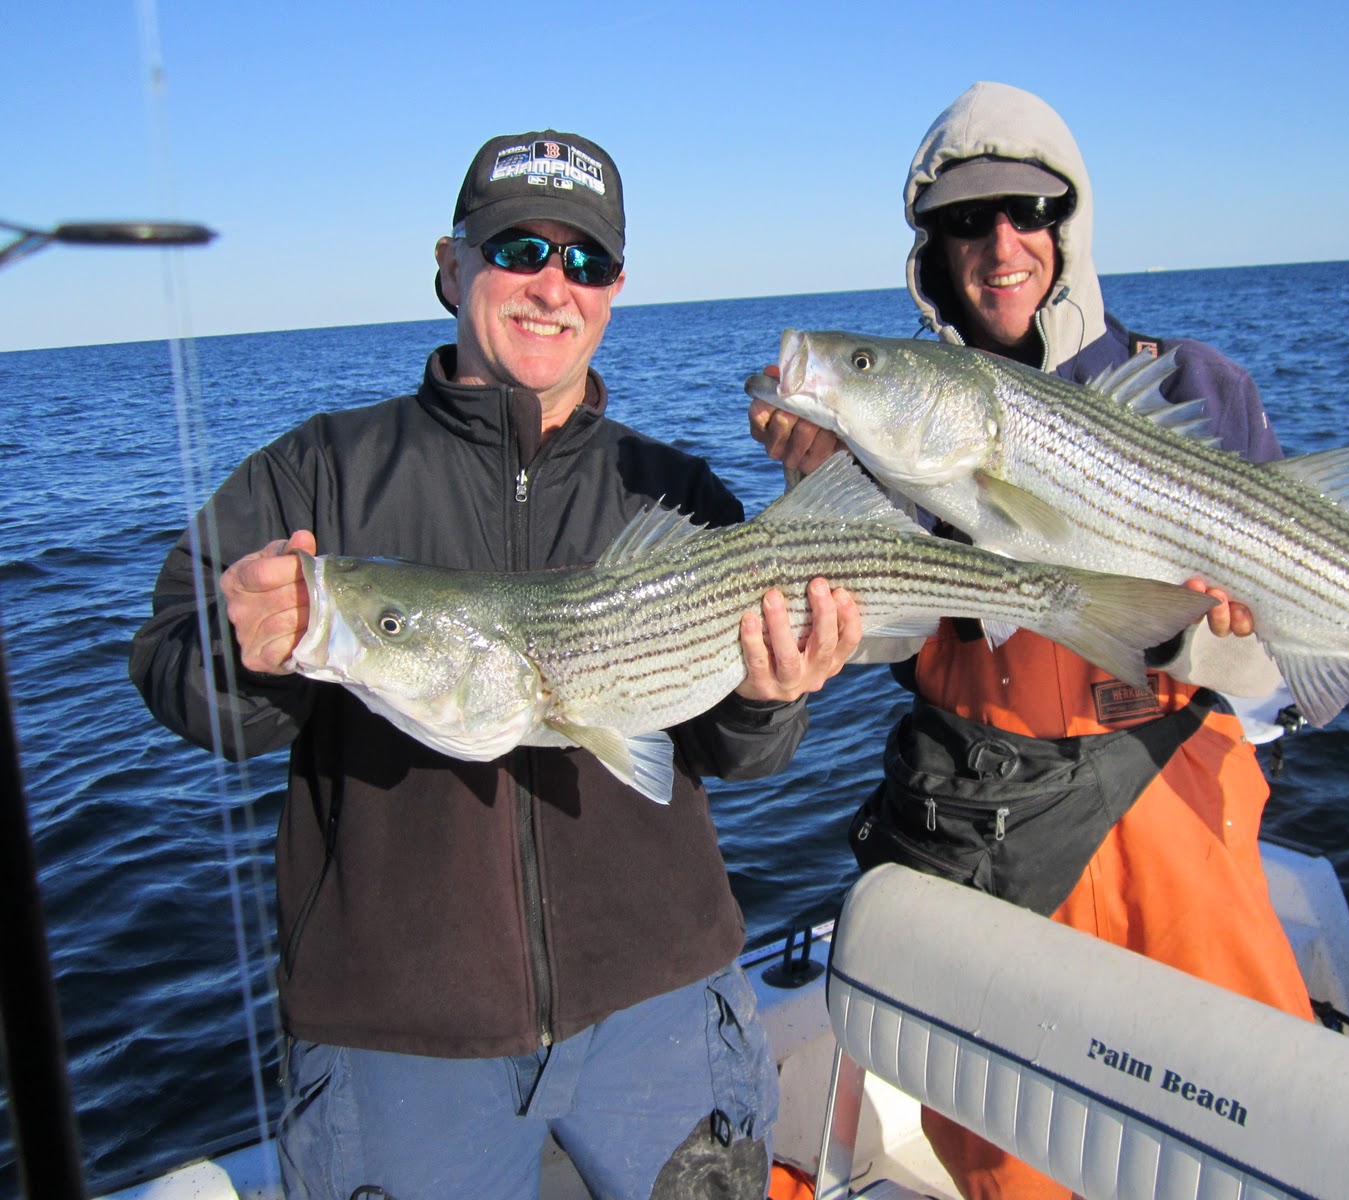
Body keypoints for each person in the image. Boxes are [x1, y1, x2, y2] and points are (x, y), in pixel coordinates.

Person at [130, 128, 863, 1200]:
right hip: (399, 1039)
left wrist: (770, 699)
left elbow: (735, 753)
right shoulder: (316, 474)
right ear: (450, 264)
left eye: (586, 261)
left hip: (664, 1007)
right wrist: (254, 657)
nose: (550, 286)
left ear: (614, 291)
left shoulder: (670, 491)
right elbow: (165, 663)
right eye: (518, 247)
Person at [749, 82, 1314, 1200]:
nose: (1001, 245)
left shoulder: (1198, 387)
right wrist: (818, 512)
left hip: (1178, 830)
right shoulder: (880, 443)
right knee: (1017, 1171)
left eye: (1029, 210)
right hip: (988, 852)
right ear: (930, 246)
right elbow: (865, 646)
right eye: (966, 219)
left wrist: (1213, 637)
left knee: (1249, 1147)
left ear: (1070, 222)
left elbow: (1276, 689)